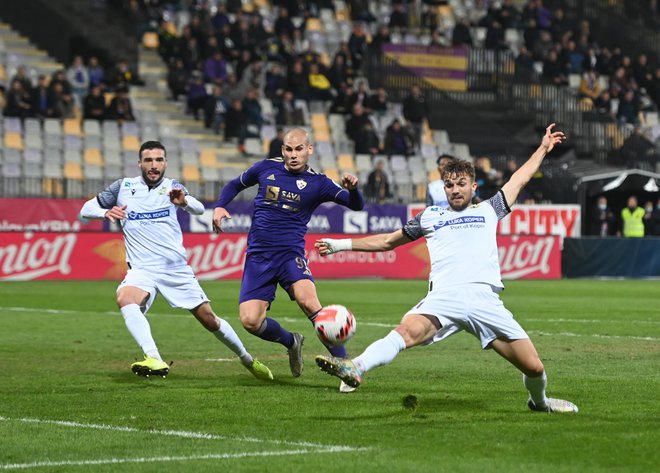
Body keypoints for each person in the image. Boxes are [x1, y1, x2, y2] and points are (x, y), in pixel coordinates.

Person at [314, 124, 579, 413]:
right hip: (444, 298)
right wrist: (341, 245)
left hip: (484, 300)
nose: (455, 190)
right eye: (450, 185)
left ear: (473, 186)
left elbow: (519, 179)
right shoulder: (430, 216)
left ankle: (539, 402)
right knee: (404, 333)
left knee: (534, 367)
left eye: (461, 184)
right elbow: (388, 241)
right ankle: (355, 367)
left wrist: (542, 148)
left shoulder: (489, 210)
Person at [79, 141, 272, 381]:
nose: (154, 165)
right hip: (142, 269)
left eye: (159, 160)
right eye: (148, 160)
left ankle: (247, 359)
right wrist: (104, 212)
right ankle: (154, 358)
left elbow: (200, 209)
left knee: (210, 320)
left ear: (165, 163)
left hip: (175, 269)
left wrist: (184, 202)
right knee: (125, 297)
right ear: (140, 163)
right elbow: (85, 210)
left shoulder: (173, 187)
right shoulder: (123, 187)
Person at [211, 128, 364, 392]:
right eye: (289, 150)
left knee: (309, 302)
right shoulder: (264, 168)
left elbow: (356, 206)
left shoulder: (319, 183)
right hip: (258, 257)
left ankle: (346, 366)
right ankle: (291, 341)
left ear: (309, 149)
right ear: (283, 150)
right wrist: (220, 205)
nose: (294, 155)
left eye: (299, 149)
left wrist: (355, 190)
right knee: (250, 322)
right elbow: (235, 184)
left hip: (290, 255)